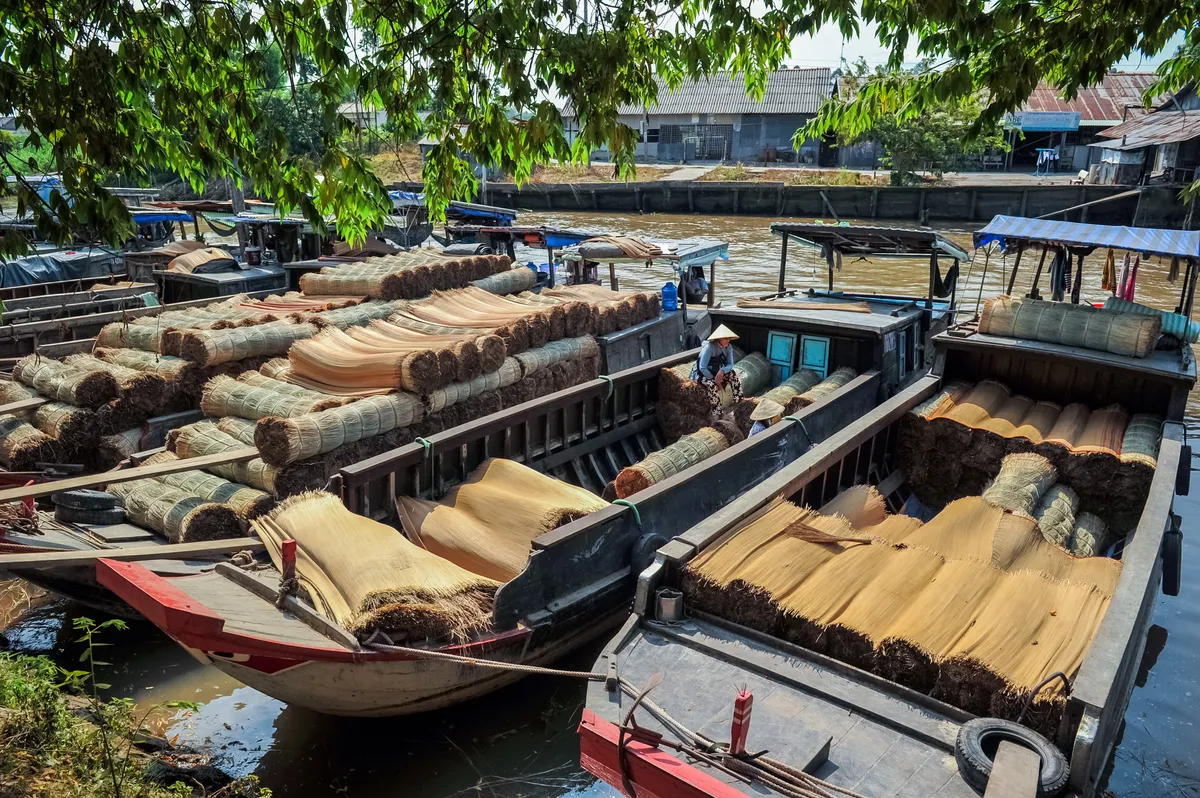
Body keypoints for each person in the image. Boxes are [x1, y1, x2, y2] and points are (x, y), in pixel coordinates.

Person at [690, 324, 743, 413]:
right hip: (702, 373)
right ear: (719, 339)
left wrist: (723, 370)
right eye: (725, 338)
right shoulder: (709, 348)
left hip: (717, 370)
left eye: (729, 338)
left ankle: (739, 399)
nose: (728, 340)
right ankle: (717, 412)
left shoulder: (728, 347)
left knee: (732, 373)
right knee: (712, 385)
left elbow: (730, 364)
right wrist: (715, 379)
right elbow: (702, 367)